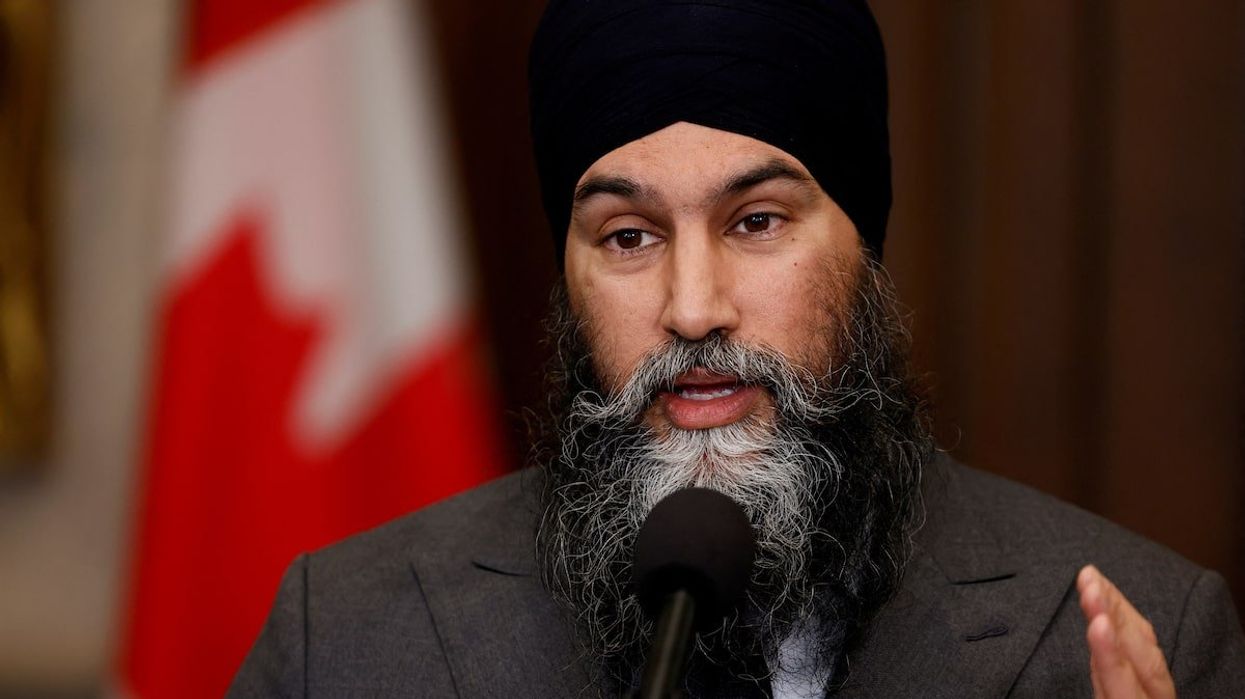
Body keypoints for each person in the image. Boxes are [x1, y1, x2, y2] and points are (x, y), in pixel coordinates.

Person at [228, 1, 1245, 696]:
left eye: (756, 221)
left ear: (865, 249)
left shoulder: (1130, 630)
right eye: (628, 237)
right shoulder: (350, 637)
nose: (693, 307)